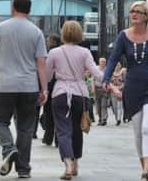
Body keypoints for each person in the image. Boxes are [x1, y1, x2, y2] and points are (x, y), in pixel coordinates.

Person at [103, 1, 148, 181]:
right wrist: (106, 79)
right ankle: (144, 168)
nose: (134, 14)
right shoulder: (123, 36)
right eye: (132, 11)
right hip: (133, 88)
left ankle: (147, 169)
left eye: (139, 12)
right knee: (138, 130)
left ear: (146, 16)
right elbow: (113, 59)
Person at [0, 0, 48, 179]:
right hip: (29, 86)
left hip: (5, 85)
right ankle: (23, 169)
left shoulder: (0, 28)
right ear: (30, 10)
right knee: (25, 128)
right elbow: (41, 63)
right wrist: (44, 89)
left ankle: (8, 147)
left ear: (13, 8)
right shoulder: (36, 32)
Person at [46, 21, 103, 180]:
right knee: (78, 131)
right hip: (80, 94)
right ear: (79, 34)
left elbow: (48, 76)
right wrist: (110, 84)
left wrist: (43, 89)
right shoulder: (85, 52)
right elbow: (96, 72)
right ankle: (76, 163)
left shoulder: (54, 52)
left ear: (63, 34)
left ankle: (68, 165)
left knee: (63, 131)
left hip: (60, 93)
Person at [42, 33, 62, 146]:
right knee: (59, 114)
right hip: (60, 85)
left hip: (50, 85)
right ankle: (58, 139)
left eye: (48, 40)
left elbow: (46, 71)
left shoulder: (50, 53)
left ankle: (48, 137)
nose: (47, 42)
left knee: (49, 112)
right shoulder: (62, 51)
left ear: (53, 42)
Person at [93, 58, 109, 126]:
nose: (103, 63)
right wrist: (93, 89)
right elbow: (92, 80)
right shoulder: (95, 68)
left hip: (104, 89)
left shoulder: (107, 69)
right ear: (99, 62)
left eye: (104, 62)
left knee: (103, 105)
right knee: (98, 106)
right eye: (102, 62)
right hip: (97, 88)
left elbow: (109, 79)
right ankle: (100, 118)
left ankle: (103, 119)